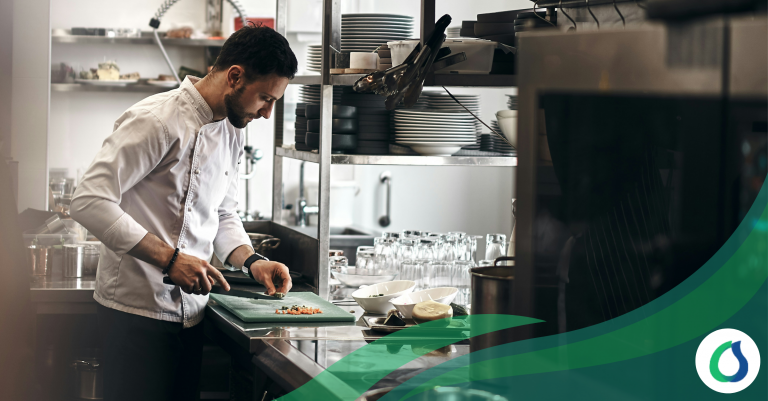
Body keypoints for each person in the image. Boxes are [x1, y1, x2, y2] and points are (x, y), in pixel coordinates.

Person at [70, 25, 297, 401]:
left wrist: (251, 260)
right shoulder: (155, 120)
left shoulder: (233, 130)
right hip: (134, 313)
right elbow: (89, 200)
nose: (268, 113)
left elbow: (223, 212)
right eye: (265, 98)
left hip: (192, 315)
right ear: (235, 77)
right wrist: (171, 259)